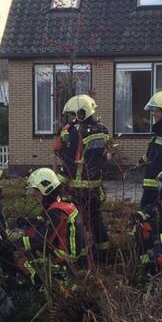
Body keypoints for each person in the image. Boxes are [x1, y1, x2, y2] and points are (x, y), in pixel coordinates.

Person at [57, 94, 113, 257]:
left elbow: (69, 160)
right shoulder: (103, 130)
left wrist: (59, 183)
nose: (72, 119)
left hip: (78, 187)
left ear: (82, 113)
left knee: (78, 222)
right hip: (95, 186)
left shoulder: (76, 133)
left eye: (74, 115)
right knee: (96, 220)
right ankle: (104, 253)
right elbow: (104, 158)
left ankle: (82, 256)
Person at [15, 168, 90, 282]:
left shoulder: (56, 211)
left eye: (36, 192)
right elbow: (46, 221)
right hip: (69, 253)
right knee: (31, 230)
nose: (34, 196)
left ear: (45, 189)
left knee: (22, 260)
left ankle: (37, 284)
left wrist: (16, 242)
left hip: (63, 258)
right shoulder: (61, 203)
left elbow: (43, 240)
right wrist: (28, 221)